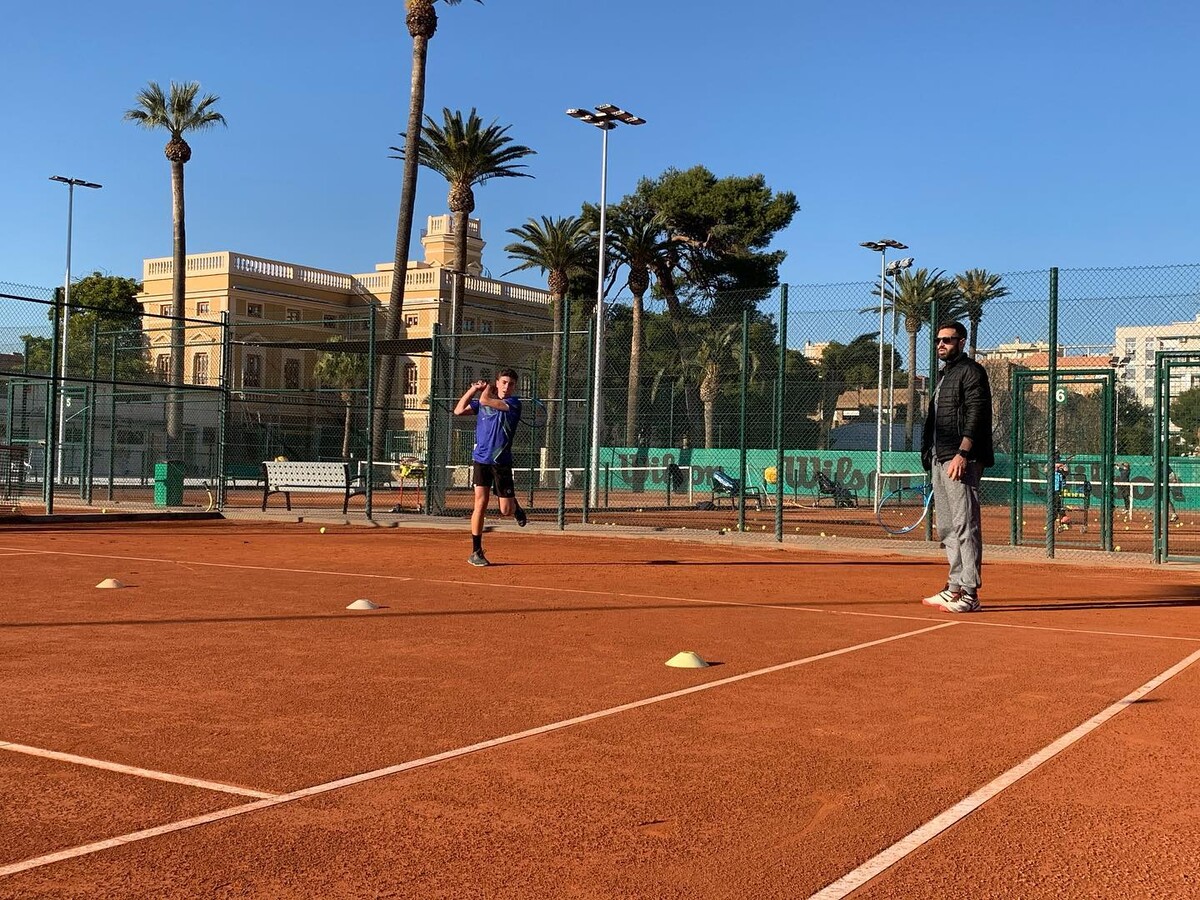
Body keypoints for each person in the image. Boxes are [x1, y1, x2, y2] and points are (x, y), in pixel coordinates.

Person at [919, 321, 994, 613]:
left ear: (961, 342)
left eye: (948, 340)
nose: (941, 344)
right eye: (938, 340)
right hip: (940, 457)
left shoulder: (972, 371)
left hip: (961, 458)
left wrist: (964, 452)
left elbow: (977, 412)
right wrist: (928, 452)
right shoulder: (943, 376)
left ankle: (970, 594)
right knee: (948, 527)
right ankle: (954, 588)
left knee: (965, 525)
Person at [453, 368, 527, 567]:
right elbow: (458, 410)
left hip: (501, 462)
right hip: (481, 460)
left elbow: (486, 400)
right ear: (498, 383)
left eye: (510, 384)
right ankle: (476, 551)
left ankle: (515, 506)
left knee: (506, 510)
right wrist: (473, 389)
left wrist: (485, 390)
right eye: (503, 382)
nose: (507, 386)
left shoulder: (513, 404)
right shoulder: (482, 403)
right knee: (480, 503)